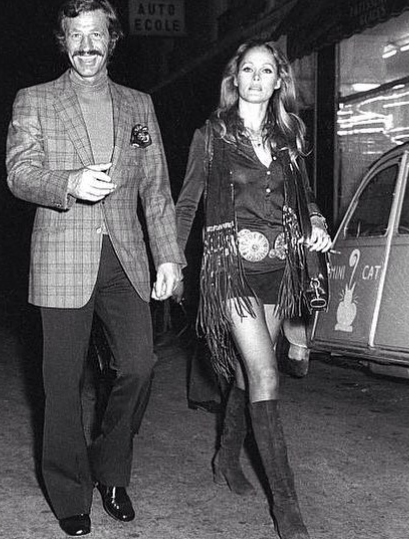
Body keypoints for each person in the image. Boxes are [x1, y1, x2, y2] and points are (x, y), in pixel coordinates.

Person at [6, 0, 184, 536]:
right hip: (62, 257)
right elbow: (18, 172)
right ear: (63, 41)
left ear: (113, 39)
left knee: (139, 365)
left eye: (96, 35)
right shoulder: (35, 99)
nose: (87, 46)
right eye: (76, 36)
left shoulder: (138, 104)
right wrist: (69, 183)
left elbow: (156, 189)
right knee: (61, 384)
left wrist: (168, 256)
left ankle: (111, 470)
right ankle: (69, 492)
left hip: (125, 258)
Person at [174, 39, 331, 539]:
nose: (257, 78)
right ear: (235, 77)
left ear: (279, 80)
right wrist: (171, 260)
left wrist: (317, 223)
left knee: (248, 375)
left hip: (279, 269)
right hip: (232, 269)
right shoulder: (212, 135)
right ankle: (287, 508)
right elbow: (187, 203)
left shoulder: (289, 135)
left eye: (267, 70)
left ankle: (226, 454)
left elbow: (303, 198)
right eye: (248, 69)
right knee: (265, 374)